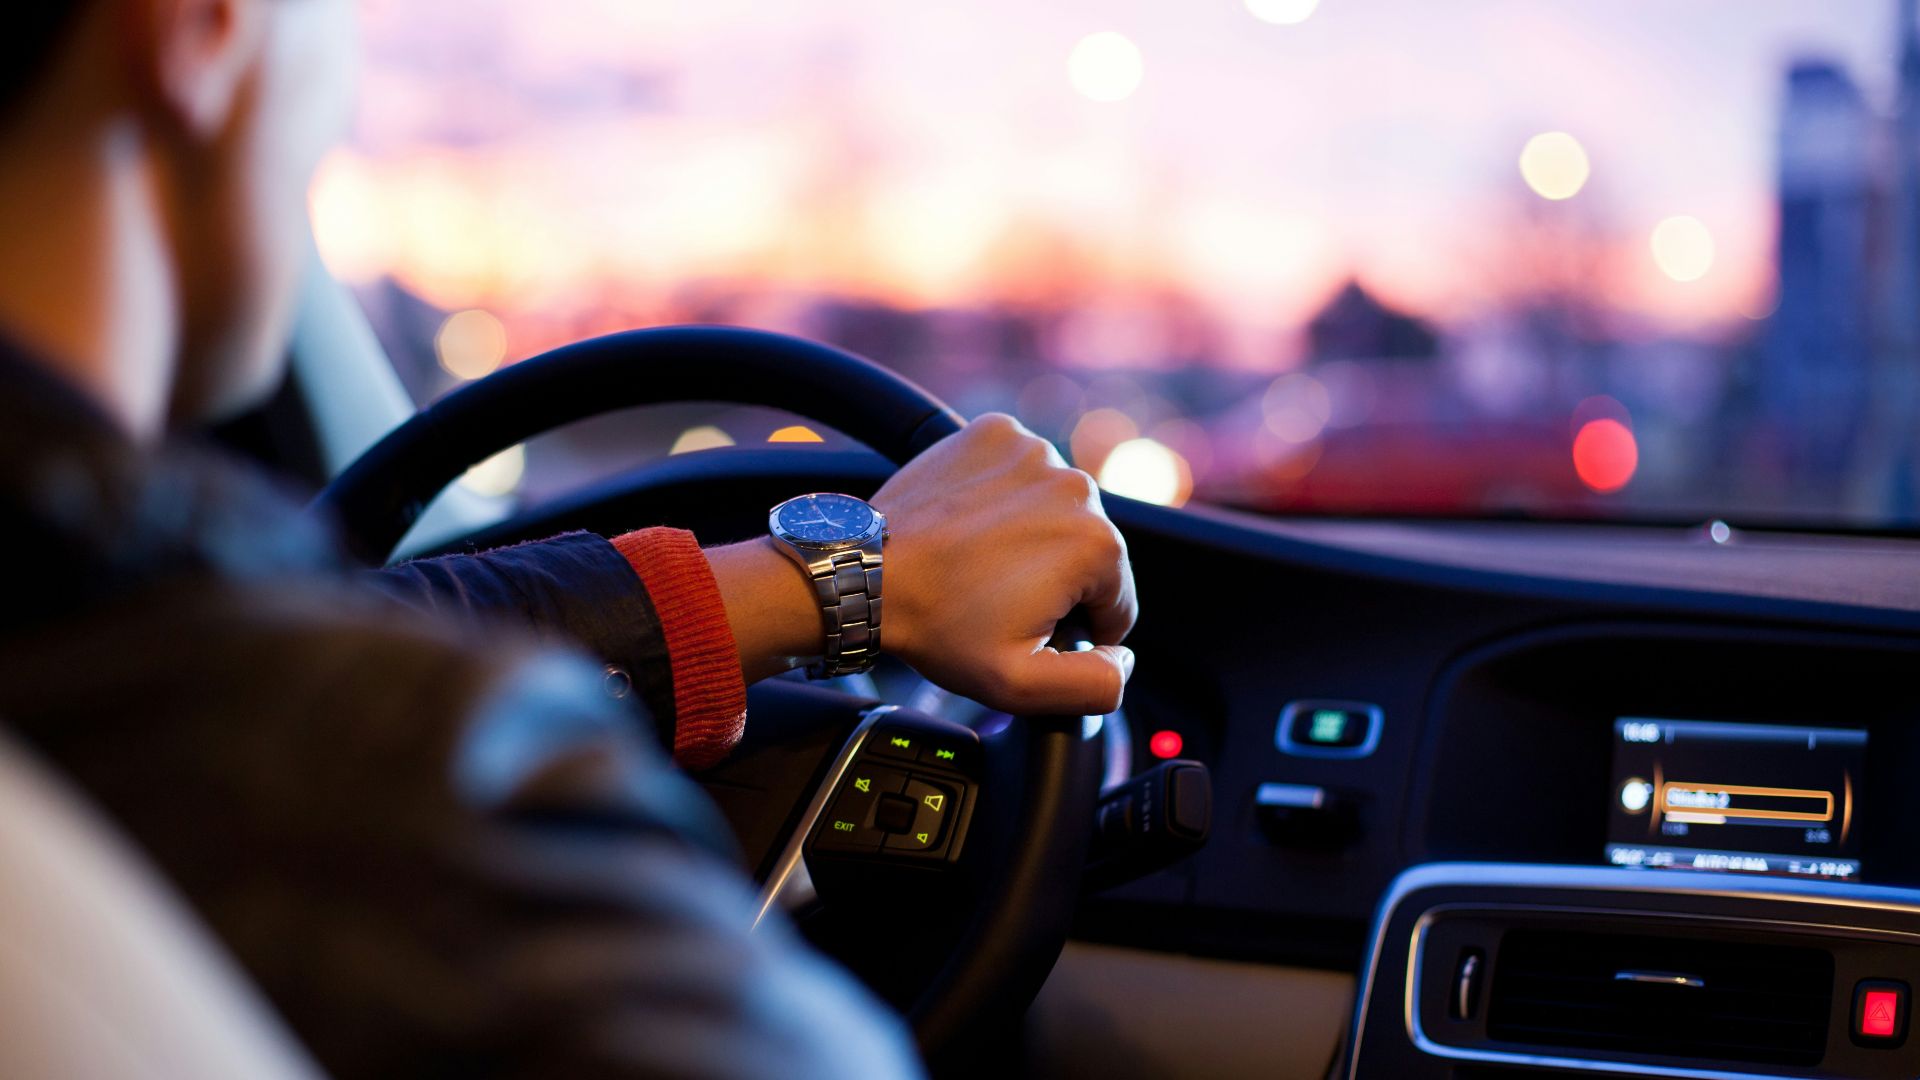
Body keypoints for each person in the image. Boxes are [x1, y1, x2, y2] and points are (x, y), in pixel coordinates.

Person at [0, 0, 1138, 1076]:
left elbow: (300, 626)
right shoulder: (406, 799)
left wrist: (833, 584)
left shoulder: (105, 649)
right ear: (200, 25)